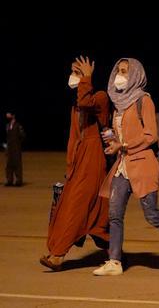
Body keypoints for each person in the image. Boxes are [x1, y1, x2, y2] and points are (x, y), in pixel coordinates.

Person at [93, 58, 159, 276]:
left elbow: (151, 135)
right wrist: (112, 141)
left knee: (152, 215)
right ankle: (114, 261)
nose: (120, 75)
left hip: (142, 164)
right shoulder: (118, 103)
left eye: (125, 72)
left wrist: (125, 144)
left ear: (136, 75)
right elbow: (119, 133)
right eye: (118, 71)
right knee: (115, 214)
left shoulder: (143, 101)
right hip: (123, 165)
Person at [40, 57, 111, 271]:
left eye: (78, 71)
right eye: (73, 71)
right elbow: (74, 137)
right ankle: (113, 252)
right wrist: (70, 165)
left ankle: (58, 255)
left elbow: (85, 102)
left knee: (76, 206)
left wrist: (86, 77)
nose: (74, 76)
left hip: (93, 158)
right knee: (93, 212)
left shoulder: (100, 97)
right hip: (79, 161)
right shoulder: (75, 106)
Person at [4, 111, 25, 187]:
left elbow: (22, 136)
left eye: (8, 114)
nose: (7, 116)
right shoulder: (7, 126)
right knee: (8, 165)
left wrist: (17, 144)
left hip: (16, 148)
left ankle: (18, 180)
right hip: (9, 149)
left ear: (13, 115)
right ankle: (9, 180)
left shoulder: (18, 126)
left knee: (17, 164)